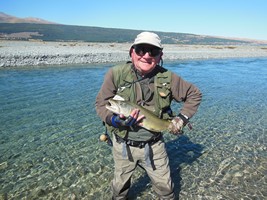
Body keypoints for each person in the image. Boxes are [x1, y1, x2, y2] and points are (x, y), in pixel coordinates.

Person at [95, 31, 202, 199]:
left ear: (160, 56)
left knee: (166, 189)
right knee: (119, 189)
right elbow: (102, 103)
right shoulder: (115, 74)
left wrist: (181, 119)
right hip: (123, 145)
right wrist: (114, 120)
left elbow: (195, 94)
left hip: (154, 145)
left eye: (153, 51)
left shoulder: (168, 78)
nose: (146, 55)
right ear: (132, 52)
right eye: (141, 50)